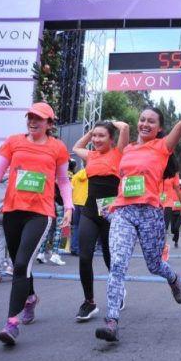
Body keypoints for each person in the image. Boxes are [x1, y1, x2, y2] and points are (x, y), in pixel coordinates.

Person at [94, 106, 181, 342]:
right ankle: (112, 320)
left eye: (151, 122)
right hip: (123, 212)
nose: (145, 124)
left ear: (159, 128)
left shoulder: (162, 147)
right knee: (117, 264)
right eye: (142, 120)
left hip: (150, 212)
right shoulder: (126, 149)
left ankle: (173, 279)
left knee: (154, 265)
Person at [0, 102, 74, 345]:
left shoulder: (58, 148)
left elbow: (63, 181)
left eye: (39, 119)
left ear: (49, 124)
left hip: (39, 214)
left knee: (20, 265)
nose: (33, 121)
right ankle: (29, 298)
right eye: (30, 117)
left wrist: (69, 207)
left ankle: (11, 324)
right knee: (20, 265)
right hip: (11, 211)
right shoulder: (13, 141)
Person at [72, 120, 129, 322]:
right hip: (90, 210)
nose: (96, 140)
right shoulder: (91, 155)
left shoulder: (119, 152)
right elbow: (76, 147)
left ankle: (118, 290)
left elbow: (125, 128)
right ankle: (89, 302)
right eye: (94, 136)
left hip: (111, 212)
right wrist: (91, 131)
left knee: (109, 257)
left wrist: (110, 123)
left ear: (111, 139)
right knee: (85, 256)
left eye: (101, 136)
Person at [161, 166, 181, 249]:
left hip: (180, 213)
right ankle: (175, 238)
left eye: (180, 185)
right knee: (173, 228)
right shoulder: (171, 190)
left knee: (176, 227)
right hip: (172, 212)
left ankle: (176, 241)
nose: (179, 186)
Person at [70, 163, 88, 256]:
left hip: (75, 203)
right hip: (86, 203)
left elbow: (70, 189)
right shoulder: (91, 175)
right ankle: (81, 248)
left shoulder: (75, 176)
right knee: (85, 228)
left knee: (75, 226)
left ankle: (74, 247)